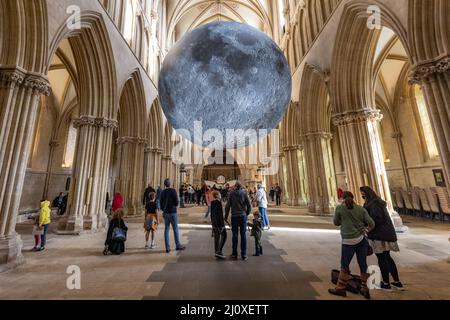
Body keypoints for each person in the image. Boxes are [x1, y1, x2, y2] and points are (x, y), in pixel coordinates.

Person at [329, 191, 375, 300]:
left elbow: (336, 222)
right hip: (361, 240)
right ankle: (365, 288)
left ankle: (340, 288)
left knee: (345, 265)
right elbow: (372, 223)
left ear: (343, 198)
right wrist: (365, 230)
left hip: (348, 241)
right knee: (363, 264)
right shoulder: (361, 209)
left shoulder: (340, 208)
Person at [360, 186, 403, 291]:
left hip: (380, 235)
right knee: (387, 257)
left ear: (367, 193)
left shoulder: (375, 204)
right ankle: (397, 282)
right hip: (385, 234)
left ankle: (386, 283)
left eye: (363, 193)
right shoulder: (375, 202)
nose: (362, 196)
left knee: (382, 258)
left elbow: (376, 219)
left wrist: (365, 224)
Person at [225, 181, 252, 261]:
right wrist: (246, 213)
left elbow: (227, 206)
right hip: (242, 216)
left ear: (235, 187)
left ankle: (234, 254)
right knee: (243, 235)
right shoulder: (244, 194)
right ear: (241, 187)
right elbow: (249, 205)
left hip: (234, 216)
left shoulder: (231, 194)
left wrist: (226, 217)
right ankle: (244, 254)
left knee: (235, 234)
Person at [160, 179, 186, 253]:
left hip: (165, 213)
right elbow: (176, 202)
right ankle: (177, 245)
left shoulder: (163, 192)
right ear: (170, 184)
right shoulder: (173, 190)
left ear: (165, 184)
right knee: (175, 228)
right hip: (172, 212)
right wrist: (174, 206)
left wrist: (163, 209)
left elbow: (161, 202)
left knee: (166, 229)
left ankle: (167, 248)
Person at [210, 190, 227, 260]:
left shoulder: (212, 203)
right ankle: (219, 251)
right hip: (219, 224)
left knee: (216, 238)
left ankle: (216, 252)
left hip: (214, 223)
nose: (220, 195)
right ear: (217, 195)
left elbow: (212, 215)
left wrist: (213, 224)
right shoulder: (218, 203)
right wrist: (222, 225)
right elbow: (219, 215)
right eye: (219, 194)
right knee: (224, 235)